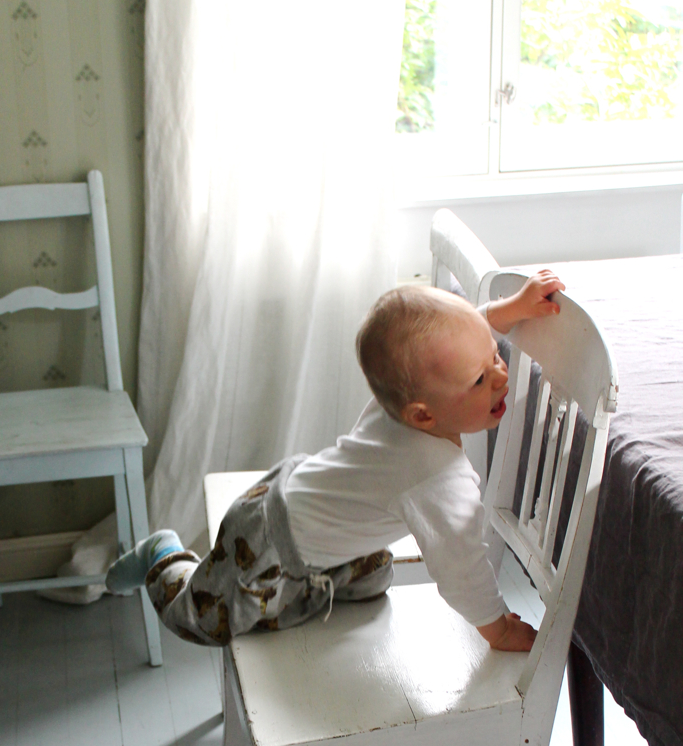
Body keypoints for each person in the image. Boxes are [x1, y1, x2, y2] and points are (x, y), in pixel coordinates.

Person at [107, 271, 565, 653]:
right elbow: (462, 570)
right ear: (422, 415)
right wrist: (498, 629)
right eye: (481, 379)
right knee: (203, 620)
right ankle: (161, 555)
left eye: (494, 356)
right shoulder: (441, 481)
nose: (501, 375)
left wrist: (510, 310)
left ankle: (319, 581)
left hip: (305, 498)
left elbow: (464, 340)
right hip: (268, 544)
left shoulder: (407, 395)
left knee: (373, 580)